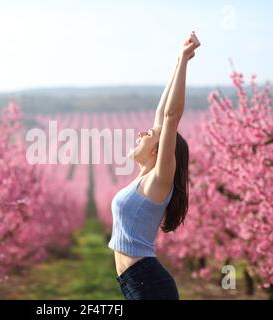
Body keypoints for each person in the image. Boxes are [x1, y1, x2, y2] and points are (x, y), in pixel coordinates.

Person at [108, 31, 201, 300]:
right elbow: (161, 116)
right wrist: (177, 61)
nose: (141, 133)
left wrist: (185, 61)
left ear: (159, 150)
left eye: (147, 135)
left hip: (148, 284)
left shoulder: (158, 182)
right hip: (135, 283)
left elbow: (171, 117)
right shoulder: (144, 180)